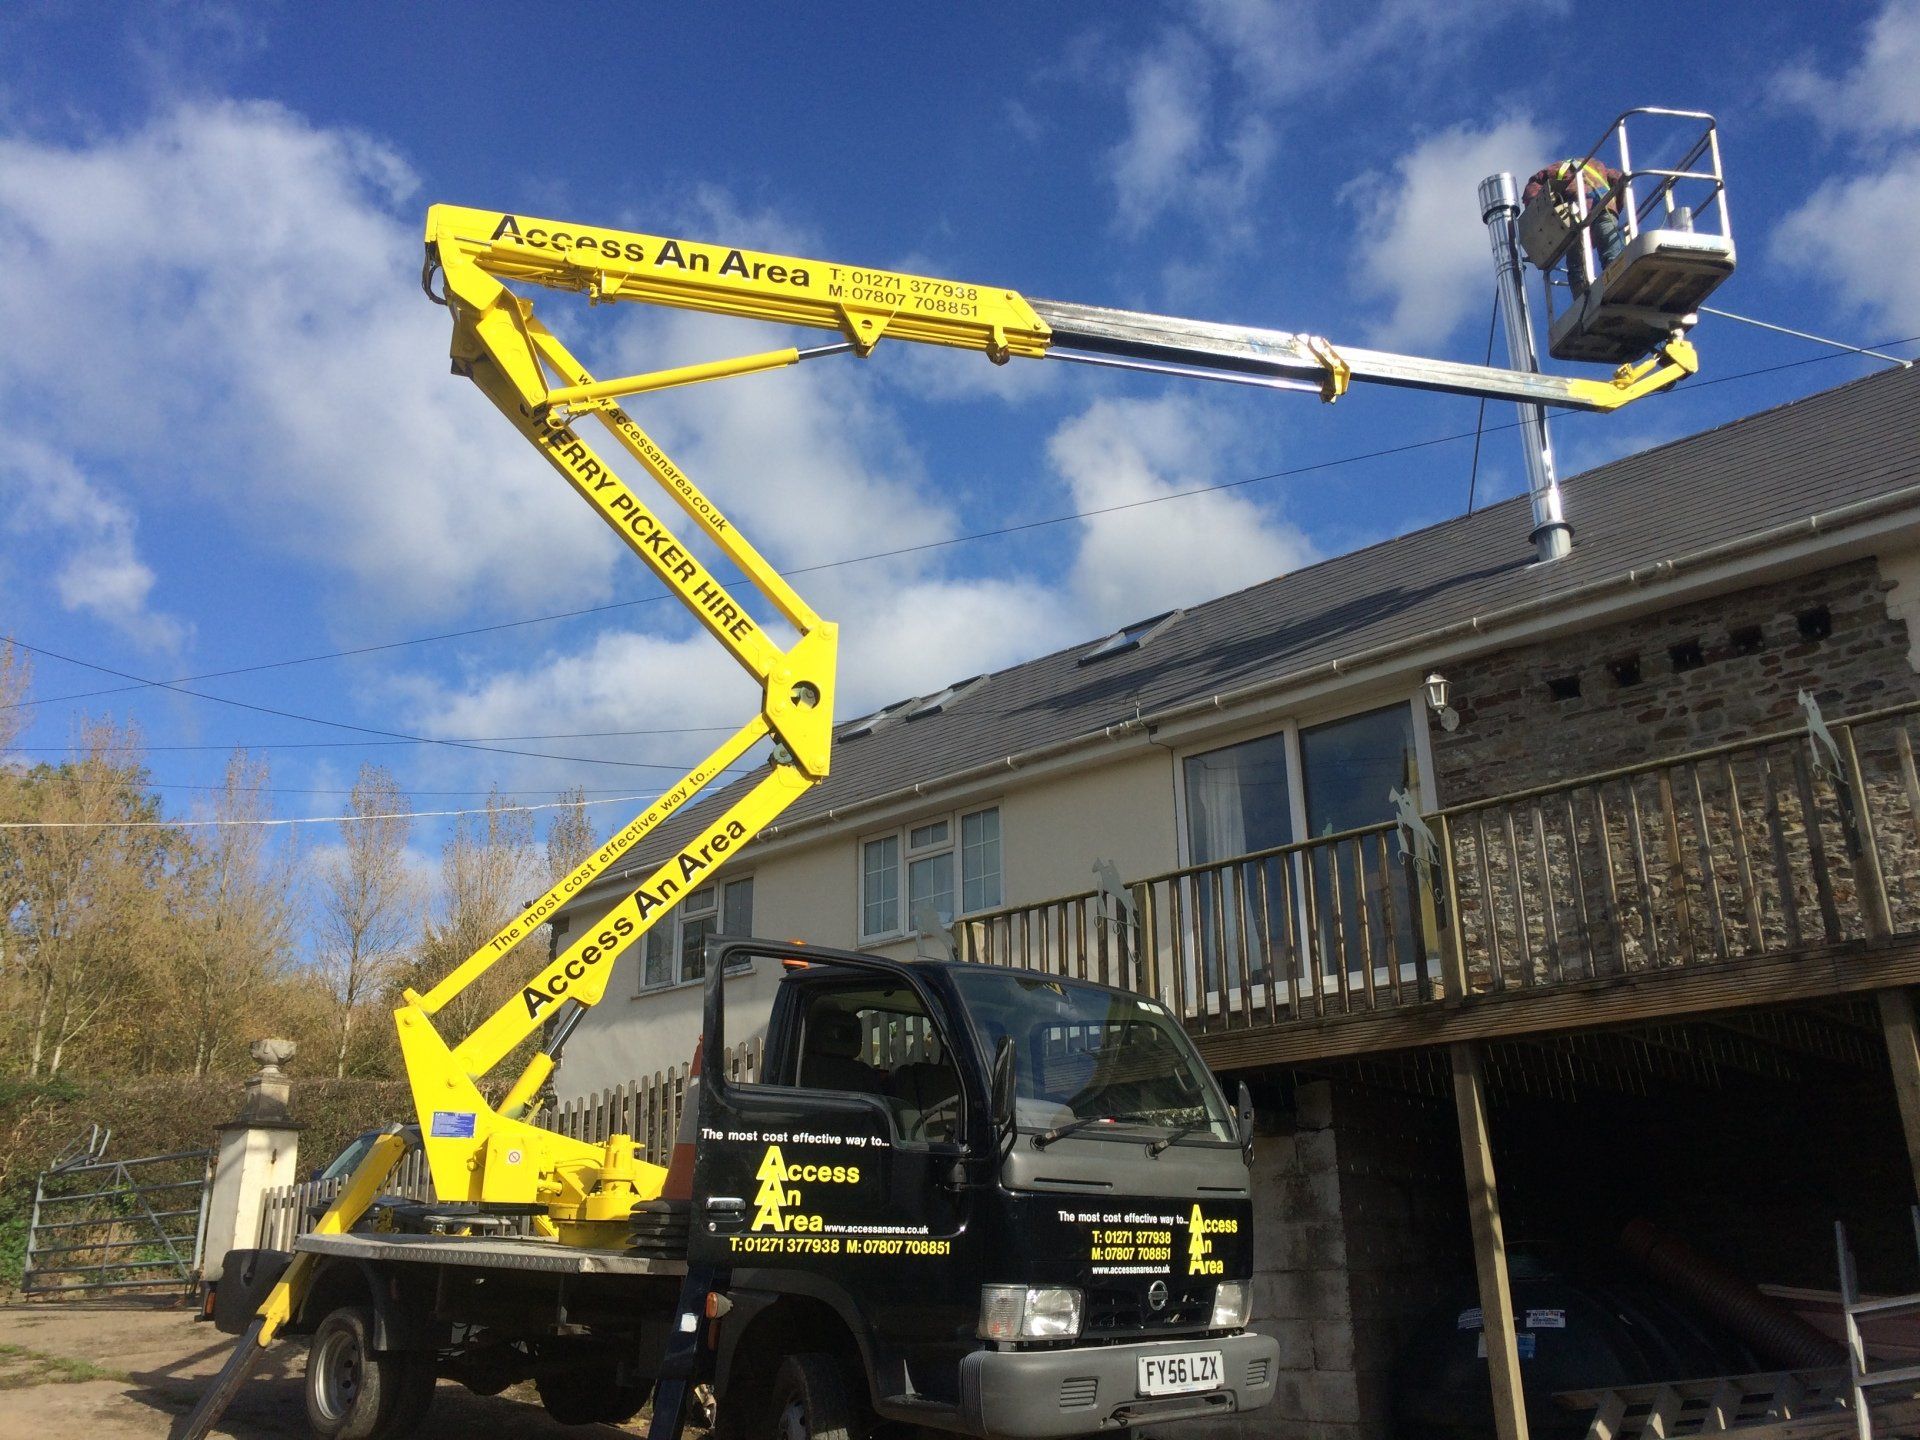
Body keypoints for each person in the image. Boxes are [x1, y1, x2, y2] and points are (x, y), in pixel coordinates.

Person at [1523, 158, 1628, 293]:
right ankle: (1618, 278)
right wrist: (1615, 208)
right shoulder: (1598, 165)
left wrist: (1541, 213)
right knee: (1610, 247)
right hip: (1605, 208)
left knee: (1576, 263)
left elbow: (1532, 191)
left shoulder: (1554, 169)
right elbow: (1618, 180)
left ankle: (1582, 297)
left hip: (1577, 215)